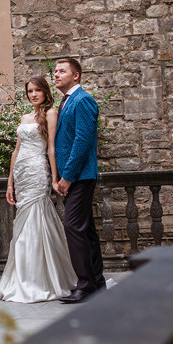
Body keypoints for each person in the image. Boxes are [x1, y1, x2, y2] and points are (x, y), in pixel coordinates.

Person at [0, 75, 77, 303]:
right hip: (21, 174)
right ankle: (23, 276)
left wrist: (54, 178)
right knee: (22, 221)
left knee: (37, 218)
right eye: (30, 91)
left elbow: (51, 148)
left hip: (38, 171)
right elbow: (15, 152)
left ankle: (40, 280)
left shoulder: (50, 113)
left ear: (45, 92)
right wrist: (9, 183)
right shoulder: (24, 116)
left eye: (37, 90)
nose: (33, 95)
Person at [53, 57, 105, 303]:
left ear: (76, 76)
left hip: (80, 176)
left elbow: (82, 141)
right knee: (86, 230)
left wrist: (67, 177)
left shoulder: (82, 99)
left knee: (73, 227)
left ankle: (85, 285)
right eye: (54, 71)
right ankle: (97, 282)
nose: (56, 74)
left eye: (62, 71)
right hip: (75, 176)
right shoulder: (67, 101)